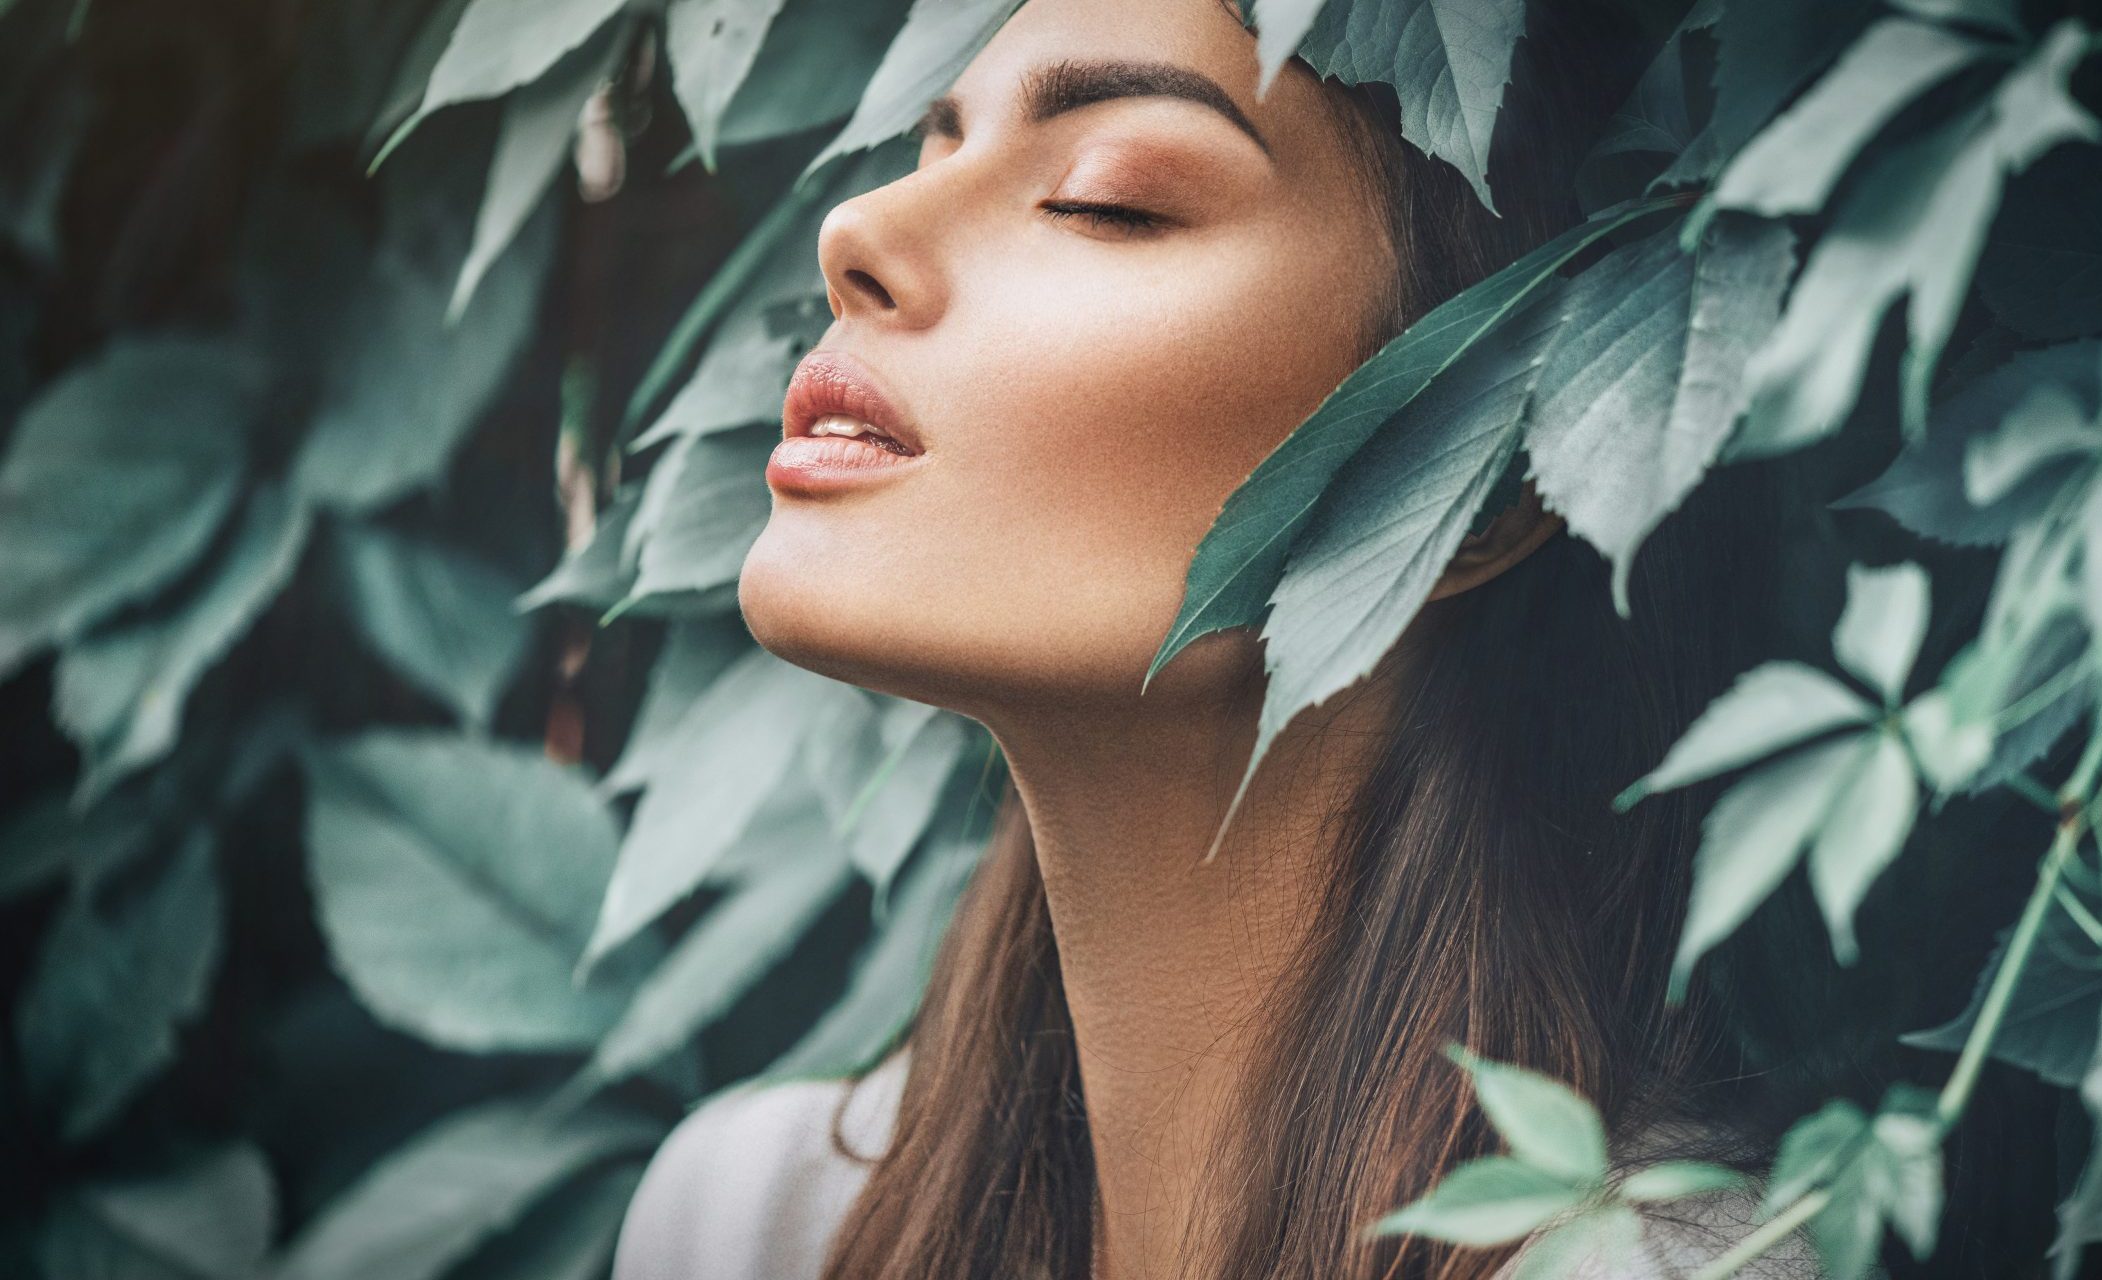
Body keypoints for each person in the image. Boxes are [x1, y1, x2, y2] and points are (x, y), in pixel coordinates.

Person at [615, 0, 1867, 1275]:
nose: (857, 227)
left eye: (1105, 199)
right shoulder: (747, 1225)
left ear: (1479, 482)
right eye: (934, 150)